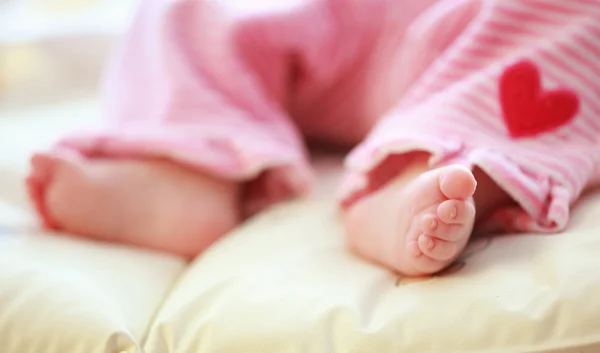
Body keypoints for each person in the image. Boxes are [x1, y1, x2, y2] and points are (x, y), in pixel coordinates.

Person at [26, 0, 600, 276]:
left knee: (557, 37)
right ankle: (186, 162)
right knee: (195, 10)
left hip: (483, 32)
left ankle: (427, 177)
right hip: (353, 19)